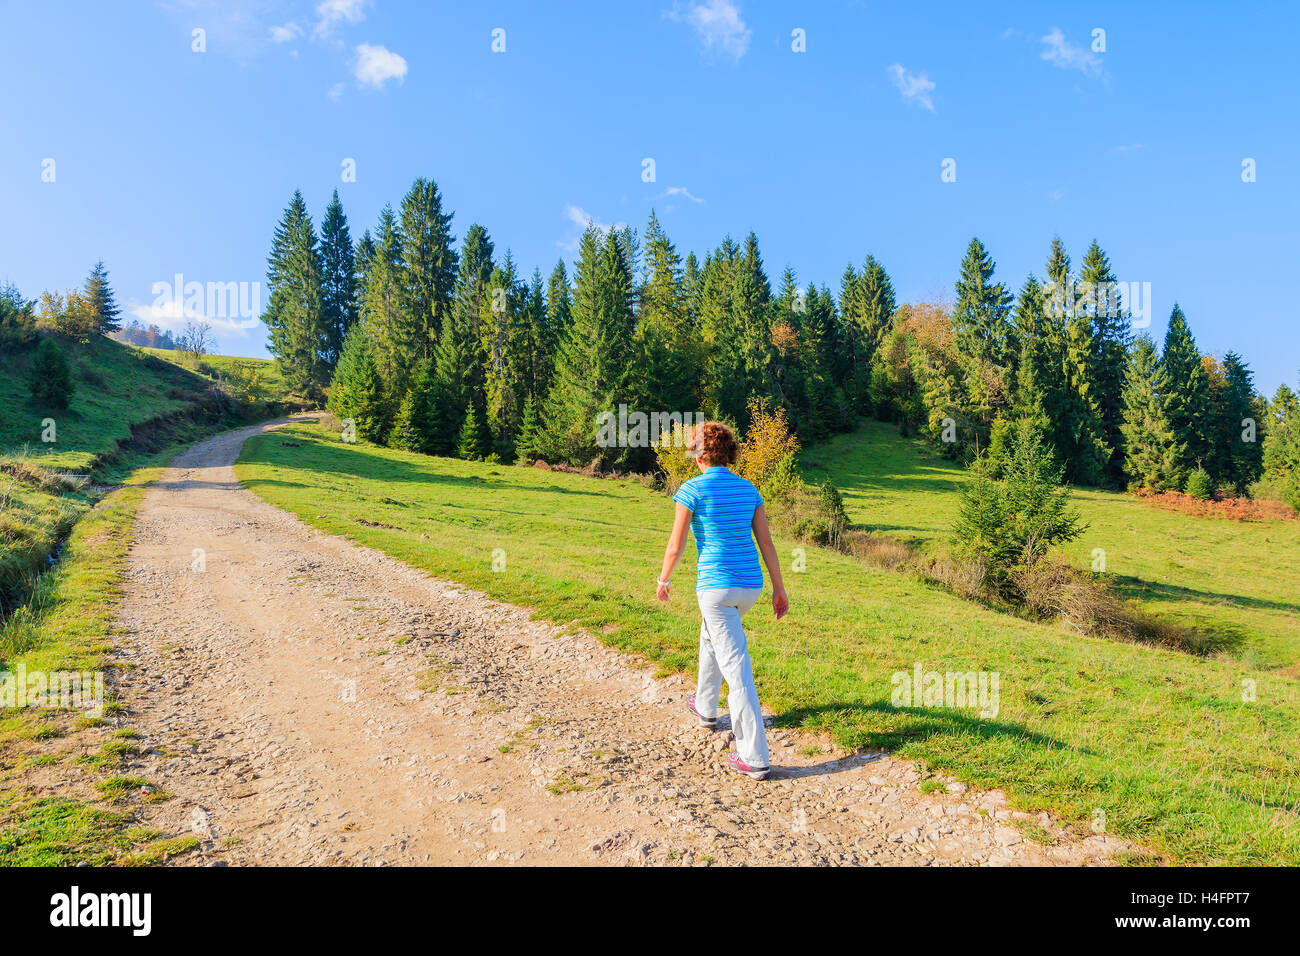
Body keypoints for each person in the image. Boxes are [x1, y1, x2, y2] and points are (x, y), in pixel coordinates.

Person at [656, 421, 789, 780]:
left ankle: (754, 756)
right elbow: (767, 545)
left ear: (700, 456)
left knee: (738, 669)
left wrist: (663, 580)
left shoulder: (691, 490)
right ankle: (705, 707)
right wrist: (779, 589)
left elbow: (676, 545)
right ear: (728, 454)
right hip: (750, 587)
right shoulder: (749, 489)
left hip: (716, 590)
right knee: (711, 636)